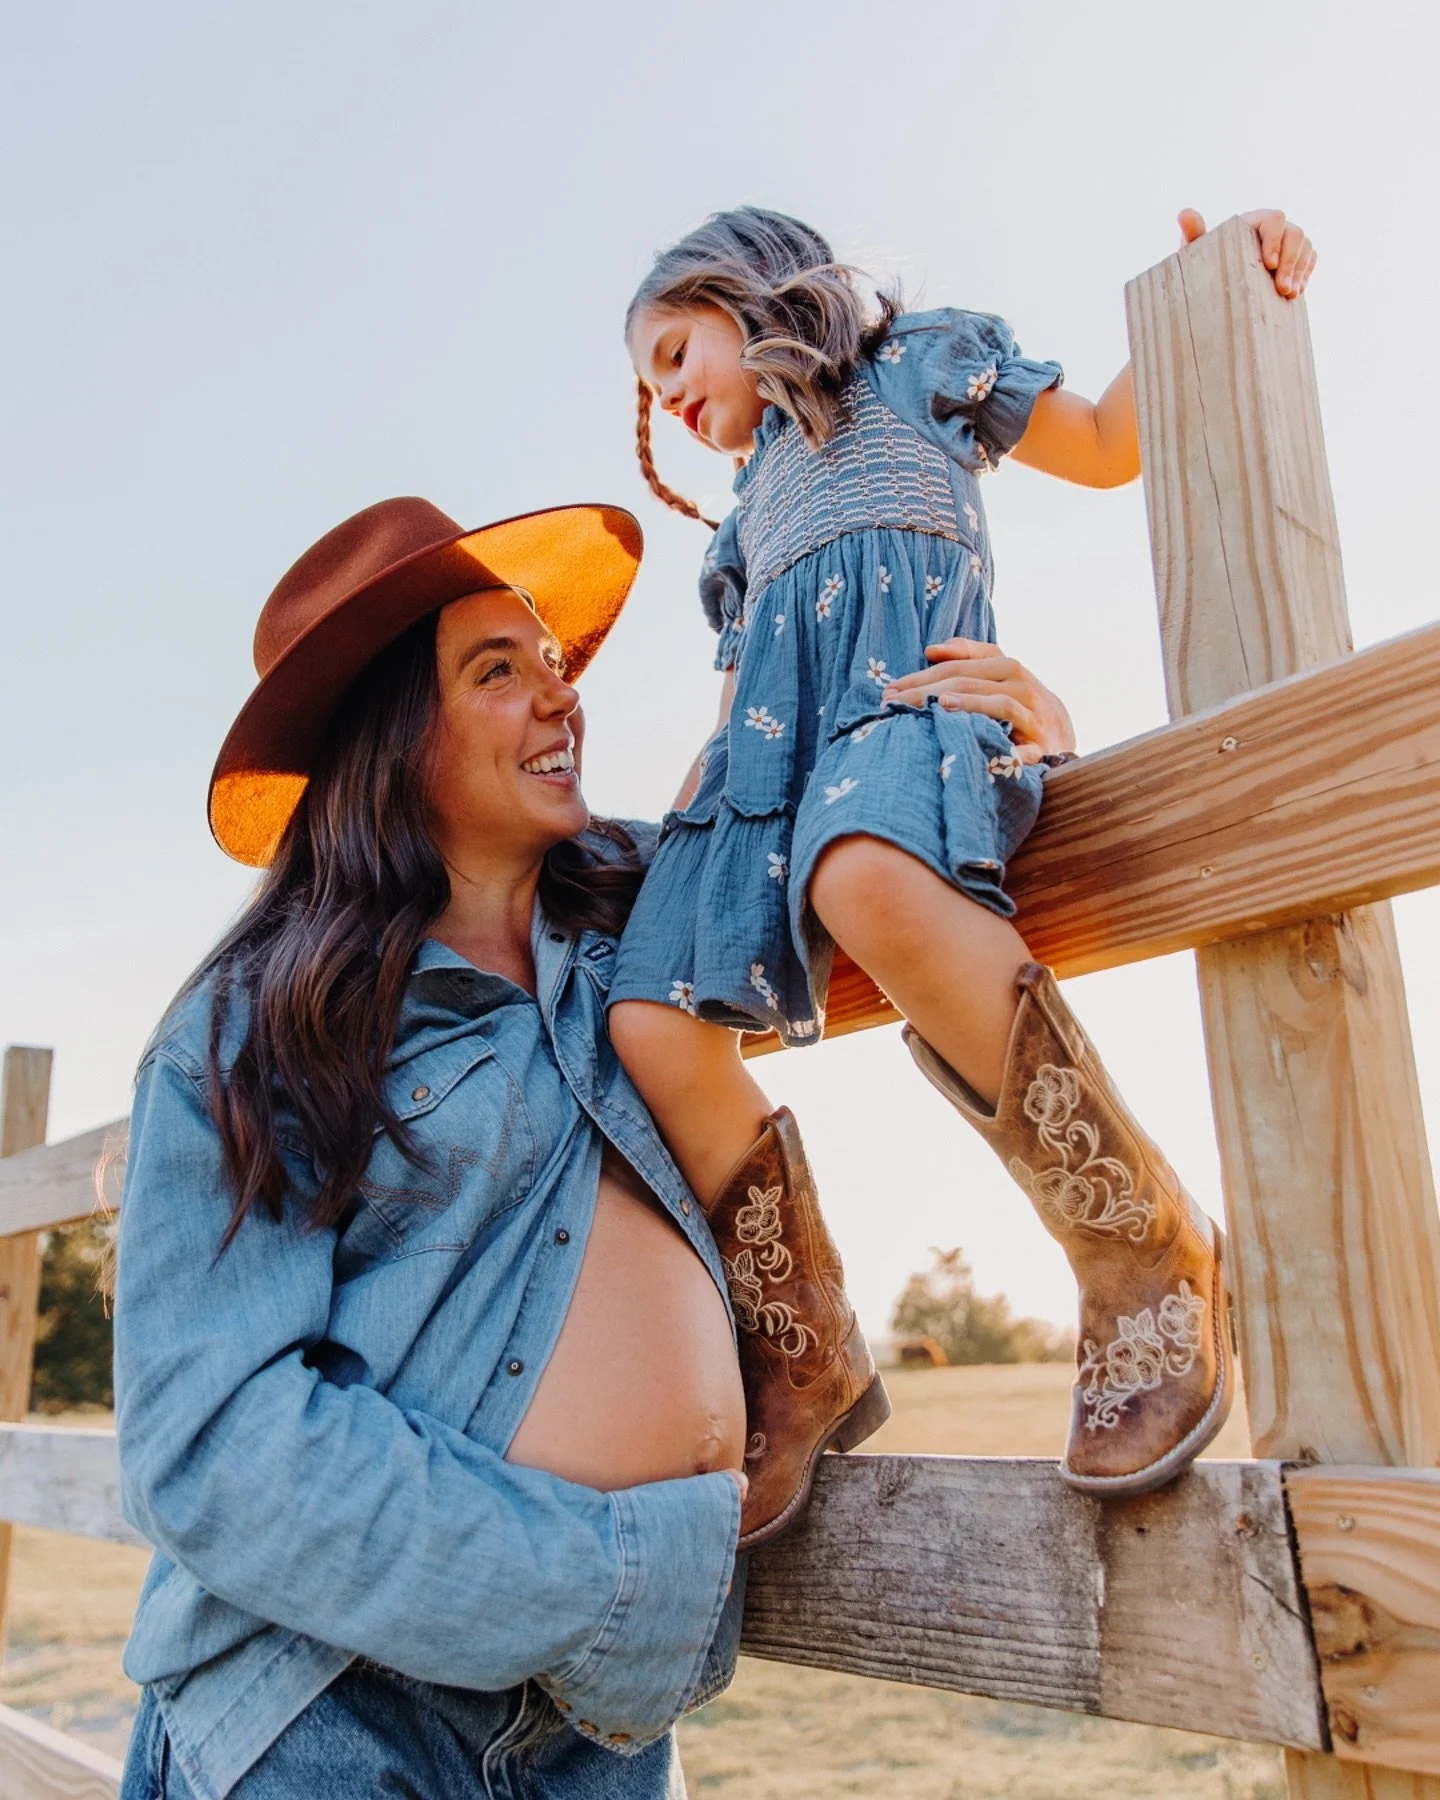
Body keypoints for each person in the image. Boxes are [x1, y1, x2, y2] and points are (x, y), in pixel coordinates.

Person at [114, 496, 1074, 1798]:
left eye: (553, 664)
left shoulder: (656, 906)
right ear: (387, 738)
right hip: (329, 1711)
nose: (561, 700)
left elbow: (862, 821)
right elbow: (212, 1438)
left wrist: (1009, 742)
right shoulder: (252, 1028)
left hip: (593, 1738)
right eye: (497, 672)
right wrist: (612, 1576)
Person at [610, 205, 1316, 1540]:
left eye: (671, 350)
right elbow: (728, 722)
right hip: (777, 780)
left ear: (741, 291)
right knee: (644, 1006)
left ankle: (1139, 1249)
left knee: (862, 878)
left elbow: (1110, 447)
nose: (666, 392)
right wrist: (685, 834)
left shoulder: (928, 366)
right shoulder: (739, 526)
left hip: (913, 720)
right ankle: (802, 1348)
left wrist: (1227, 280)